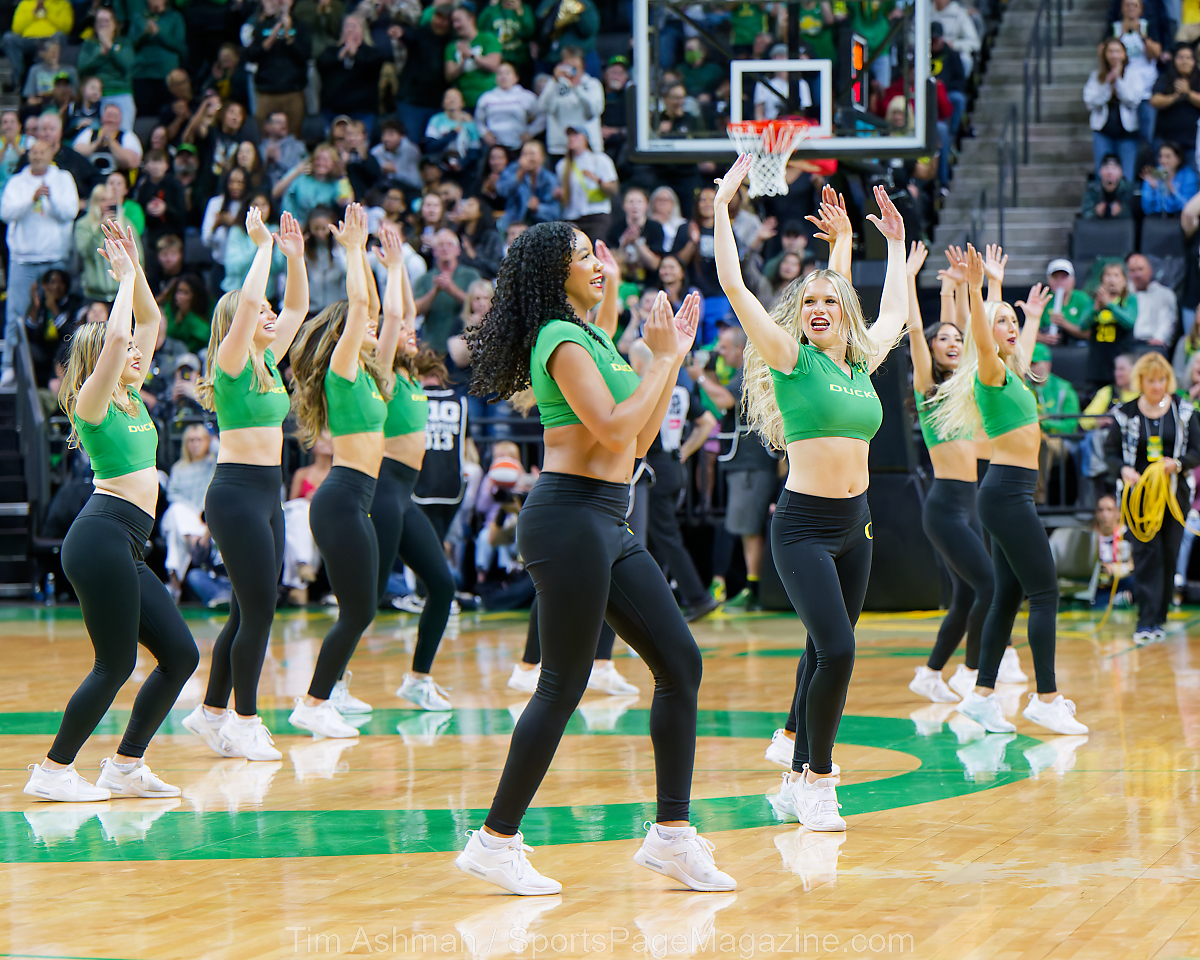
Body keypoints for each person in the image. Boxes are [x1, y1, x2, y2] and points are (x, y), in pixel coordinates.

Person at [454, 219, 735, 897]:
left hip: (608, 517)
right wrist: (659, 362)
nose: (599, 265)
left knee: (680, 664)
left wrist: (670, 359)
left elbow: (637, 442)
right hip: (569, 518)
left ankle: (671, 836)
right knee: (562, 683)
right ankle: (494, 841)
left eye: (596, 255)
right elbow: (610, 428)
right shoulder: (558, 337)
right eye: (584, 257)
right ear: (557, 274)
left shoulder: (596, 337)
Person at [713, 160, 910, 831]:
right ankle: (819, 781)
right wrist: (723, 207)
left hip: (857, 527)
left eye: (829, 302)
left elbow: (894, 312)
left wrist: (891, 244)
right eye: (809, 304)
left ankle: (794, 767)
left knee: (824, 648)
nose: (819, 310)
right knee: (839, 651)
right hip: (802, 528)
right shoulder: (792, 360)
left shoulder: (859, 365)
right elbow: (734, 285)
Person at [24, 230, 197, 803]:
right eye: (126, 352)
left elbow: (149, 322)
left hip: (126, 543)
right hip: (100, 537)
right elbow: (122, 333)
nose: (140, 353)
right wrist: (121, 282)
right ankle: (53, 770)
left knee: (180, 655)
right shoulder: (92, 402)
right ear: (105, 360)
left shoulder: (131, 393)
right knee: (115, 662)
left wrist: (136, 268)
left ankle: (126, 765)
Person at [930, 245, 1089, 737]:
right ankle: (1046, 698)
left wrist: (1028, 313)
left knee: (1006, 596)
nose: (1011, 327)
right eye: (1004, 323)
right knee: (1045, 593)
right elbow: (983, 336)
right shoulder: (990, 370)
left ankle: (981, 695)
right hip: (1006, 495)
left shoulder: (1012, 371)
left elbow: (1013, 343)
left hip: (1007, 493)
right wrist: (977, 292)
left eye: (1012, 321)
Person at [179, 208, 308, 759]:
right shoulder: (232, 361)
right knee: (258, 611)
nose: (272, 314)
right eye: (263, 312)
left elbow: (297, 307)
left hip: (267, 496)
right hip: (234, 497)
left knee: (246, 609)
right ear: (240, 320)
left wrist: (295, 258)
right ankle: (245, 720)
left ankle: (211, 712)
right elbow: (253, 301)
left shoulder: (267, 361)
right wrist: (262, 249)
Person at [288, 203, 399, 739]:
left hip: (358, 499)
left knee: (363, 608)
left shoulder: (373, 378)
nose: (371, 325)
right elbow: (360, 307)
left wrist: (391, 269)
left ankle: (326, 694)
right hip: (340, 497)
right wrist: (354, 251)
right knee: (357, 611)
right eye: (362, 326)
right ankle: (314, 702)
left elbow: (385, 315)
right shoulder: (342, 370)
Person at [906, 245, 1002, 706]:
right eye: (942, 338)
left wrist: (977, 287)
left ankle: (930, 674)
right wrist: (910, 278)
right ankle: (971, 672)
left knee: (967, 596)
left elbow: (977, 334)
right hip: (945, 508)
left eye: (955, 339)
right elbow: (914, 331)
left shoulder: (965, 388)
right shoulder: (928, 390)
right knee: (990, 586)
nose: (951, 342)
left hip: (972, 504)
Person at [368, 227, 459, 711]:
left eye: (411, 332)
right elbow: (396, 315)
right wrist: (393, 271)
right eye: (402, 332)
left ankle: (418, 678)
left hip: (405, 496)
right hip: (383, 490)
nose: (410, 332)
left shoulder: (411, 375)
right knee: (366, 599)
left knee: (441, 586)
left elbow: (406, 316)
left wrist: (399, 266)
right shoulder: (383, 375)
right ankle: (327, 689)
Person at [1106, 351, 1200, 642]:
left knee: (1169, 552)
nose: (1157, 386)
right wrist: (1124, 470)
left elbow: (1196, 451)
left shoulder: (1184, 411)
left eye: (1161, 380)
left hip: (1174, 494)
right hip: (1139, 495)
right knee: (1146, 553)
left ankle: (1160, 614)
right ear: (1141, 381)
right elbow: (1110, 453)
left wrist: (1178, 464)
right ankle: (1146, 620)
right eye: (1151, 381)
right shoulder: (1125, 413)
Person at [0, 139, 77, 383]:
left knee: (59, 314)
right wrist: (31, 198)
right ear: (28, 154)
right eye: (33, 152)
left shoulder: (62, 178)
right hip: (23, 260)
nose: (37, 156)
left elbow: (70, 212)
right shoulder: (17, 182)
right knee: (15, 314)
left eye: (42, 152)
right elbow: (5, 213)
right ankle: (8, 365)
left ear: (51, 153)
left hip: (56, 259)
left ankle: (66, 367)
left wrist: (50, 197)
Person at [161, 423, 218, 602]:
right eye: (191, 440)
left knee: (176, 533)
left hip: (200, 523)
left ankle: (174, 583)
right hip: (185, 518)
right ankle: (194, 540)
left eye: (199, 439)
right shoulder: (179, 468)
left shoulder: (214, 465)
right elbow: (172, 495)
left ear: (208, 442)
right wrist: (194, 513)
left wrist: (212, 439)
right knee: (177, 510)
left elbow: (221, 448)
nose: (195, 444)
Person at [245, 0, 313, 136]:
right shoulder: (263, 26)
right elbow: (251, 56)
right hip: (266, 92)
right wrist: (271, 40)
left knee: (294, 136)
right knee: (262, 135)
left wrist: (289, 36)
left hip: (293, 92)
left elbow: (305, 56)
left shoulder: (302, 26)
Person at [412, 229, 483, 354]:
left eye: (450, 244)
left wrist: (452, 289)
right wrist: (434, 291)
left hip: (464, 347)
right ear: (434, 251)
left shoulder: (471, 275)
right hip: (432, 346)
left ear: (458, 250)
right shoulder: (426, 278)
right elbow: (414, 311)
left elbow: (479, 306)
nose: (445, 248)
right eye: (440, 245)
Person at [317, 15, 386, 136]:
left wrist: (356, 55)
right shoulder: (331, 51)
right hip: (333, 110)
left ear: (363, 30)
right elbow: (321, 65)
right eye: (347, 26)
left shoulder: (372, 53)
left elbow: (372, 69)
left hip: (362, 111)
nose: (350, 30)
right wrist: (339, 57)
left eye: (354, 26)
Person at [1086, 38, 1142, 181]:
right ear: (1105, 54)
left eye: (1117, 51)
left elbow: (1133, 100)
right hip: (1103, 131)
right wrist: (1107, 85)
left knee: (1127, 175)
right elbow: (1090, 101)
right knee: (1103, 174)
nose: (1114, 55)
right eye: (1110, 51)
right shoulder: (1096, 76)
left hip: (1127, 132)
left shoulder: (1133, 75)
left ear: (1124, 54)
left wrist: (1118, 81)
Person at [554, 125, 618, 246]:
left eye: (576, 135)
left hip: (596, 214)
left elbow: (613, 189)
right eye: (570, 136)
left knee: (595, 248)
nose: (572, 138)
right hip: (572, 216)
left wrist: (598, 180)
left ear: (585, 138)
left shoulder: (599, 160)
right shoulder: (562, 166)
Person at [1081, 260, 1138, 393]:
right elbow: (1082, 325)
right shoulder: (1094, 300)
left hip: (1121, 359)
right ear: (1101, 280)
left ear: (1124, 280)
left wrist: (1110, 305)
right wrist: (1095, 310)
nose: (1112, 280)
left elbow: (1129, 321)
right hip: (1098, 362)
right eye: (1108, 275)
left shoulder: (1129, 300)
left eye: (1116, 275)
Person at [537, 46, 604, 158]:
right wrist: (554, 81)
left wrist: (576, 88)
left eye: (574, 59)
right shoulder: (554, 84)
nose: (570, 63)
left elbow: (595, 110)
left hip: (589, 147)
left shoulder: (592, 84)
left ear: (582, 64)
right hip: (560, 147)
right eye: (566, 60)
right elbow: (543, 108)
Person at [78, 9, 135, 131]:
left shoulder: (124, 43)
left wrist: (110, 46)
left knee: (122, 133)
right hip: (97, 96)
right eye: (99, 21)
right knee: (94, 132)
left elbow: (128, 65)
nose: (103, 25)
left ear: (115, 25)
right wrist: (99, 54)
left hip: (121, 93)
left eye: (107, 21)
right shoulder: (90, 45)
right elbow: (82, 67)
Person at [130, 0, 187, 117]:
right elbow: (130, 43)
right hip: (143, 73)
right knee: (143, 114)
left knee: (167, 113)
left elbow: (179, 44)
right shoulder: (139, 17)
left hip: (166, 74)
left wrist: (159, 33)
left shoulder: (174, 17)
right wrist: (144, 34)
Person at [2, 0, 72, 94]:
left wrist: (47, 13)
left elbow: (66, 28)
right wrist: (34, 12)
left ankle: (53, 82)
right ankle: (18, 79)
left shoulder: (63, 4)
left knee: (60, 36)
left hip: (50, 39)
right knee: (8, 38)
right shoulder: (25, 3)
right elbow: (16, 28)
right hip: (28, 40)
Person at [444, 3, 502, 110]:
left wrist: (471, 55)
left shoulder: (489, 39)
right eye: (453, 22)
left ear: (471, 18)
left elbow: (494, 65)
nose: (456, 25)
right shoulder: (452, 47)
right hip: (465, 102)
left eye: (458, 21)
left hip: (490, 100)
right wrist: (462, 63)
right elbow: (449, 76)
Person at [496, 139, 560, 234]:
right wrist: (520, 173)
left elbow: (555, 212)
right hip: (513, 224)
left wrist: (538, 208)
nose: (528, 158)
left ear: (542, 158)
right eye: (525, 154)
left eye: (532, 154)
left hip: (540, 227)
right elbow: (502, 190)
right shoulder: (513, 169)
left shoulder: (549, 179)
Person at [278, 143, 353, 223]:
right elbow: (280, 194)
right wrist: (297, 170)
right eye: (318, 159)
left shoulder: (335, 183)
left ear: (333, 163)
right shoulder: (302, 178)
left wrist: (343, 173)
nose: (321, 163)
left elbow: (346, 202)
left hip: (321, 226)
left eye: (325, 160)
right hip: (295, 223)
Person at [1151, 44, 1200, 165]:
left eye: (1188, 58)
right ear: (1174, 60)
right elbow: (1154, 101)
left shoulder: (1198, 78)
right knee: (1162, 174)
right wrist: (1176, 96)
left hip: (1192, 141)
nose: (1184, 61)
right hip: (1165, 139)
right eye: (1180, 57)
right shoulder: (1166, 77)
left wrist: (1188, 93)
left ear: (1194, 61)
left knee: (1193, 174)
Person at [475, 62, 541, 151]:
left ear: (516, 77)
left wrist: (530, 132)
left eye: (507, 73)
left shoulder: (527, 96)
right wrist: (485, 134)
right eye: (500, 73)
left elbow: (541, 117)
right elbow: (478, 120)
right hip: (495, 147)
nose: (503, 77)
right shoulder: (486, 98)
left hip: (520, 144)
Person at [1127, 251, 1178, 351]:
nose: (1137, 274)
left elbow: (1167, 321)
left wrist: (1160, 338)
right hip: (1128, 343)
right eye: (1132, 270)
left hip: (1153, 343)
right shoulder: (1124, 294)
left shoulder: (1164, 294)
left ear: (1150, 271)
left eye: (1140, 269)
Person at [1141, 141, 1198, 214]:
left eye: (1168, 157)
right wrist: (1153, 189)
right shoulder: (1155, 174)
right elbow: (1147, 208)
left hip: (1181, 217)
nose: (1163, 161)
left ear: (1179, 158)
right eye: (1161, 156)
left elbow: (1189, 207)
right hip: (1157, 218)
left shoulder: (1189, 176)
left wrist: (1171, 190)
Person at [1079, 152, 1134, 220]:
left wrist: (1122, 211)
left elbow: (1135, 215)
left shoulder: (1129, 189)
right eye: (1106, 167)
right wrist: (1095, 212)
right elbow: (1085, 214)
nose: (1110, 172)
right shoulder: (1093, 189)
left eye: (1114, 168)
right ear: (1099, 171)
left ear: (1122, 172)